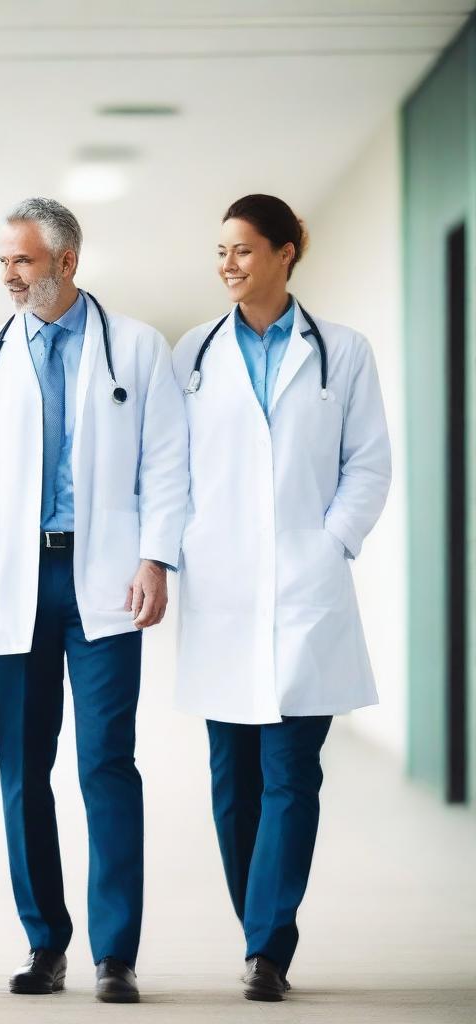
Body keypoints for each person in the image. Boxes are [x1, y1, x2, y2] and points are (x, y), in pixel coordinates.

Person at [0, 198, 189, 1003]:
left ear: (66, 263)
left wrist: (155, 557)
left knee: (107, 765)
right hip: (16, 580)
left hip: (106, 581)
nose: (11, 276)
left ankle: (115, 953)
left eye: (24, 261)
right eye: (4, 263)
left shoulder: (138, 348)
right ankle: (45, 943)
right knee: (23, 773)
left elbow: (165, 463)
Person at [173, 194, 391, 1001]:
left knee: (292, 772)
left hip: (307, 589)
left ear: (286, 253)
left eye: (242, 250)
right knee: (234, 781)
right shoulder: (191, 355)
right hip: (224, 591)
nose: (227, 264)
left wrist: (330, 543)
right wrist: (182, 546)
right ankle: (258, 927)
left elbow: (368, 462)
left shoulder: (344, 351)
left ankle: (268, 947)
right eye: (221, 251)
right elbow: (171, 466)